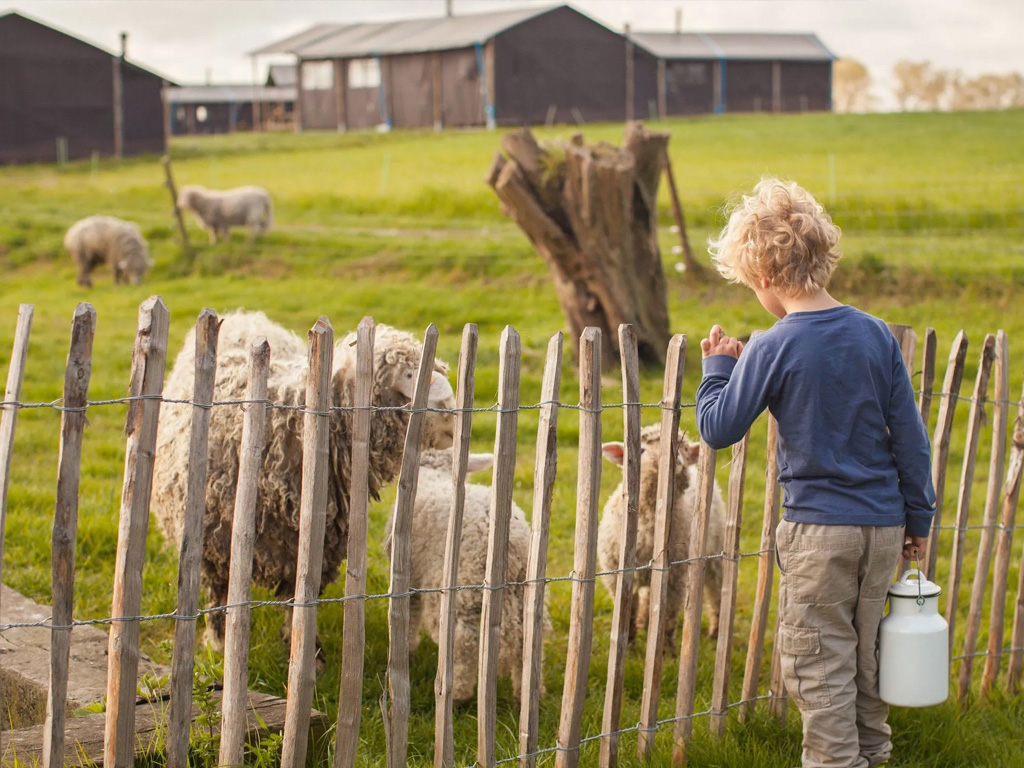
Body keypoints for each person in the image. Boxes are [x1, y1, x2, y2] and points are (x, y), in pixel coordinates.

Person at [695, 178, 936, 768]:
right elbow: (910, 439)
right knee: (865, 655)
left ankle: (834, 761)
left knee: (819, 661)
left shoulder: (772, 346)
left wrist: (718, 369)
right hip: (882, 528)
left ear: (764, 275)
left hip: (819, 533)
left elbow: (718, 429)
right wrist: (919, 518)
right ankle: (873, 754)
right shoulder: (875, 334)